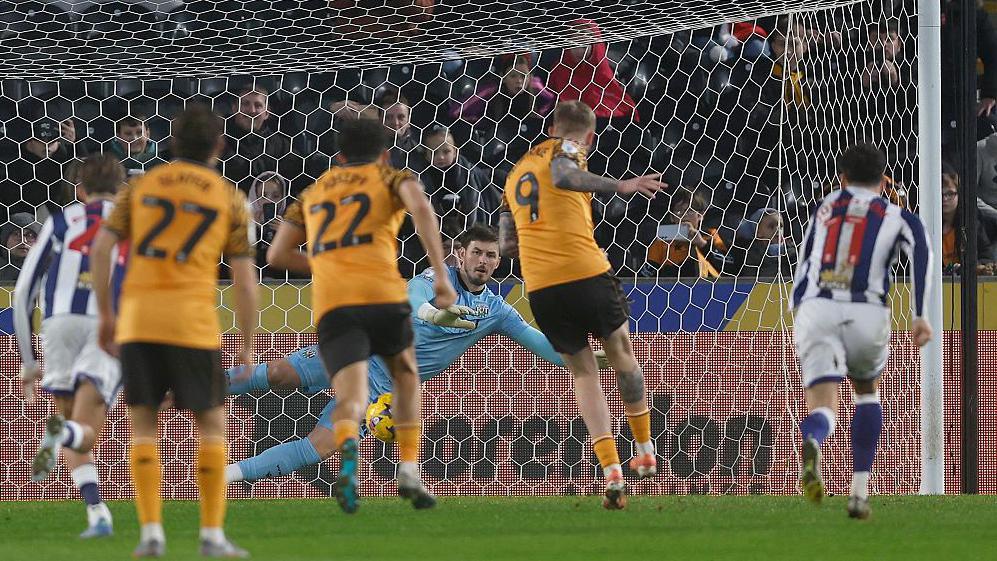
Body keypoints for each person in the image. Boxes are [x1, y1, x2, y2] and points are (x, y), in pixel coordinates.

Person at [226, 224, 582, 483]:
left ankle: (228, 475)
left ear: (498, 263)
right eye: (476, 252)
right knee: (276, 375)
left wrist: (589, 358)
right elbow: (413, 297)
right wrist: (433, 313)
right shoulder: (437, 276)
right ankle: (194, 385)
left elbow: (543, 345)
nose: (483, 261)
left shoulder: (496, 311)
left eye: (491, 256)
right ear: (460, 254)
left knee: (322, 446)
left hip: (380, 387)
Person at [90, 104, 257, 558]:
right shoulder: (229, 197)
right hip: (192, 324)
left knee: (143, 423)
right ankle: (211, 534)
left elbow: (102, 250)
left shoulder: (139, 188)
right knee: (212, 425)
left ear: (171, 143)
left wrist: (107, 315)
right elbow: (244, 280)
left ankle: (150, 533)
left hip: (140, 320)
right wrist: (245, 343)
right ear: (219, 145)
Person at [266, 118, 457, 514]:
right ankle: (408, 466)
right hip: (382, 295)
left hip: (335, 304)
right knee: (405, 375)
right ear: (385, 153)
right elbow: (422, 208)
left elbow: (276, 256)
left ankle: (348, 468)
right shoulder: (393, 178)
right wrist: (440, 276)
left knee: (351, 397)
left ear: (338, 157)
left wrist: (330, 265)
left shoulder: (312, 193)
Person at [498, 101, 665, 509]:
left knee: (584, 374)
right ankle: (643, 449)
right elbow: (566, 175)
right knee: (622, 355)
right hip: (585, 271)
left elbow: (505, 241)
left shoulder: (516, 172)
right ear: (587, 136)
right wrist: (622, 185)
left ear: (551, 125)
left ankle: (610, 470)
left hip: (541, 286)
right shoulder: (567, 149)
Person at [792, 143, 933, 519]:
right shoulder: (896, 214)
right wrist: (920, 313)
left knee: (823, 402)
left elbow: (804, 260)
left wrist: (799, 310)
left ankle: (814, 438)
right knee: (866, 392)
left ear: (842, 178)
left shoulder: (824, 208)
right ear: (885, 181)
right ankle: (859, 490)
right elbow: (922, 251)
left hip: (817, 307)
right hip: (866, 310)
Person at [13, 155, 126, 539]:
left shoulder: (61, 220)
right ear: (122, 188)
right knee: (87, 430)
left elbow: (24, 290)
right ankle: (59, 435)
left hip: (58, 322)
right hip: (108, 324)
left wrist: (29, 364)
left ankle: (97, 514)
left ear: (78, 190)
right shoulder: (134, 221)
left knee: (69, 422)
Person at [644, 186, 728, 278]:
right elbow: (646, 275)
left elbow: (729, 267)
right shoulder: (663, 241)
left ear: (700, 215)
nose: (684, 215)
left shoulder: (711, 235)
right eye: (679, 211)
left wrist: (702, 244)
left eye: (690, 211)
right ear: (672, 217)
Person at [0, 213, 41, 281]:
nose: (23, 241)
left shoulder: (49, 270)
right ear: (5, 240)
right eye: (17, 234)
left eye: (29, 235)